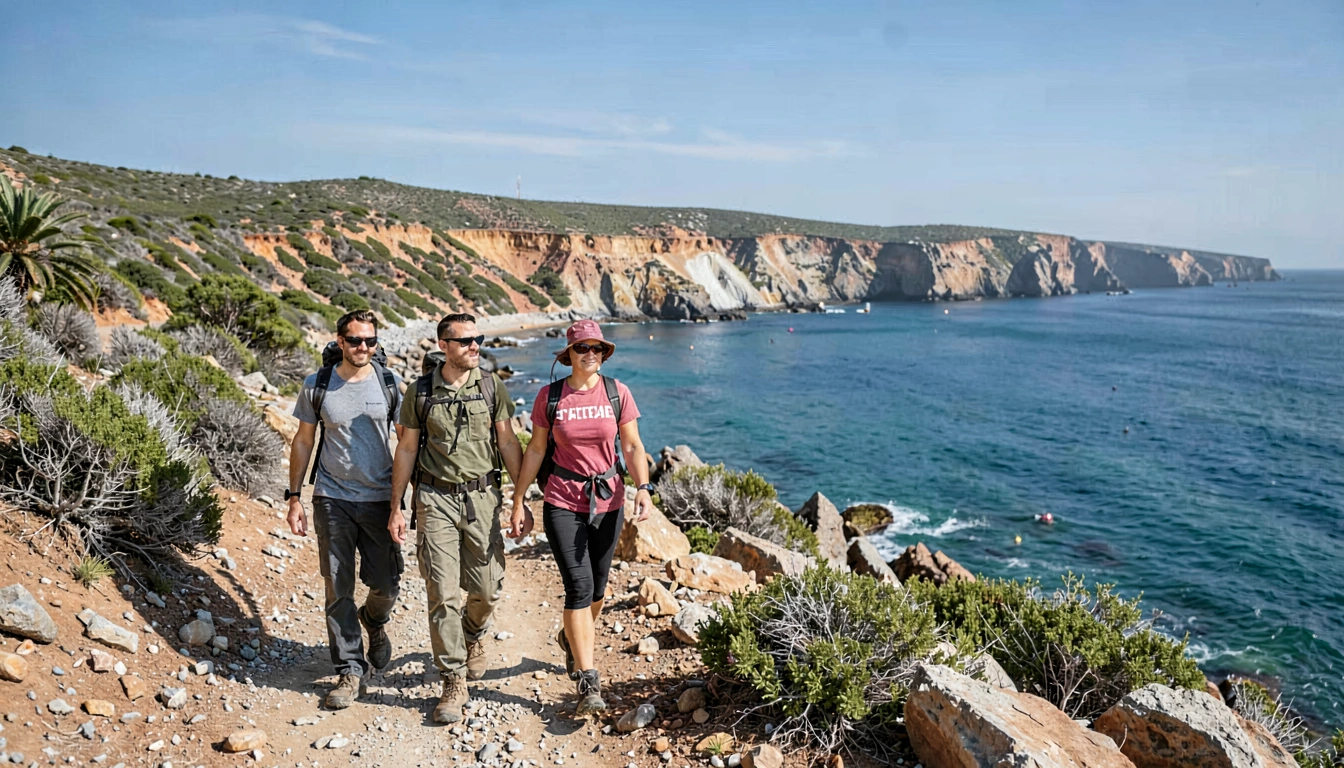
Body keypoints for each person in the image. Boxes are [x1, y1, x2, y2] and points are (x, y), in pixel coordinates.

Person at [509, 319, 653, 717]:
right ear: (568, 354)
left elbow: (632, 445)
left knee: (599, 589)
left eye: (597, 348)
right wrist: (519, 499)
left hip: (609, 501)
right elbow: (536, 450)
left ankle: (571, 637)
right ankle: (588, 680)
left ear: (604, 353)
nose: (590, 354)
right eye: (581, 348)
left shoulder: (617, 392)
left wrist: (643, 488)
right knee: (579, 586)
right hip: (562, 500)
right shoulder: (550, 396)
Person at [389, 313, 525, 724]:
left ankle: (472, 633)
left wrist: (520, 500)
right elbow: (407, 449)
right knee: (442, 591)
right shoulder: (420, 392)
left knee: (487, 588)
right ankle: (452, 679)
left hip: (483, 498)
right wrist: (396, 506)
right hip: (435, 500)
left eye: (477, 338)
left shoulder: (491, 385)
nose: (474, 346)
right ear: (444, 345)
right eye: (465, 341)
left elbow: (507, 441)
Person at [287, 309, 404, 710]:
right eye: (355, 340)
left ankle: (374, 620)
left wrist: (403, 502)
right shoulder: (317, 384)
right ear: (340, 341)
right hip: (332, 498)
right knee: (338, 587)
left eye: (370, 341)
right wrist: (294, 497)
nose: (363, 347)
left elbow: (407, 443)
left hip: (380, 499)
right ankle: (350, 669)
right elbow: (303, 441)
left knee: (387, 585)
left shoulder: (390, 383)